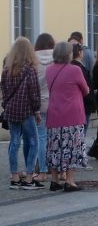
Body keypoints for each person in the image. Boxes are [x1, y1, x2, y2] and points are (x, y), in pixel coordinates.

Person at [45, 41, 90, 192]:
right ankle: (70, 181)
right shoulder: (75, 70)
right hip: (72, 115)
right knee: (72, 148)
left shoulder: (49, 69)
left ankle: (54, 180)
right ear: (68, 54)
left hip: (54, 115)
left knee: (55, 148)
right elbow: (86, 90)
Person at [2, 37, 43, 190]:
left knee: (14, 143)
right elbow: (34, 93)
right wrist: (37, 111)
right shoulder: (30, 69)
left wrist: (6, 105)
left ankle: (14, 177)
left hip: (11, 111)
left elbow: (4, 91)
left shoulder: (7, 70)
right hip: (26, 111)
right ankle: (29, 178)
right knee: (33, 142)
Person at [33, 33, 55, 182]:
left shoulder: (32, 60)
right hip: (55, 102)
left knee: (40, 137)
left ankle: (42, 169)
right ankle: (56, 169)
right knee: (53, 138)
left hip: (38, 103)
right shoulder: (57, 59)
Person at [70, 44, 97, 136]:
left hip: (75, 104)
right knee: (82, 133)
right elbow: (86, 89)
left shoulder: (69, 67)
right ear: (79, 53)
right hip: (84, 105)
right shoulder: (80, 68)